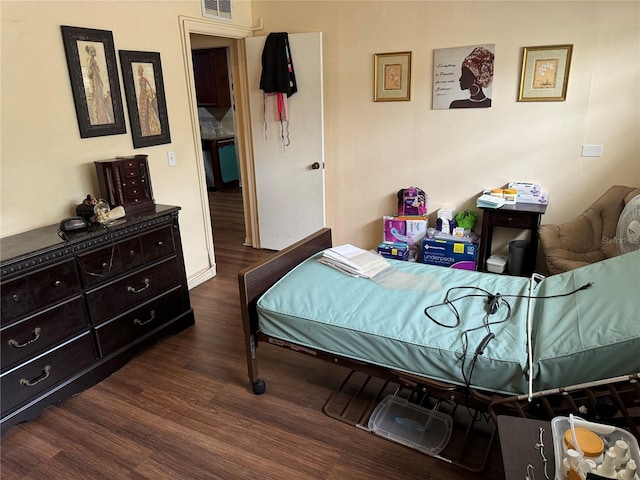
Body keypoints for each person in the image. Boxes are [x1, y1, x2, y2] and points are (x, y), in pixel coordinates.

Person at [136, 64, 161, 136]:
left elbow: (150, 86)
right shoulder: (140, 79)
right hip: (142, 95)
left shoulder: (144, 79)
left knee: (148, 109)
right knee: (143, 110)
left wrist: (150, 93)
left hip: (145, 95)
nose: (139, 72)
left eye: (139, 71)